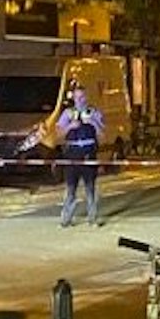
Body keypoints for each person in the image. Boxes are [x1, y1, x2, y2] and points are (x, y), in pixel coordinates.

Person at [57, 85, 106, 228]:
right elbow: (58, 133)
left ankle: (93, 218)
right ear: (73, 98)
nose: (80, 100)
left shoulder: (93, 112)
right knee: (70, 188)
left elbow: (103, 134)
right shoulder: (68, 113)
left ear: (86, 97)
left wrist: (94, 123)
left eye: (82, 97)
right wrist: (69, 127)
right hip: (72, 152)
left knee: (90, 187)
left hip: (88, 152)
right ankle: (66, 219)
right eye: (77, 97)